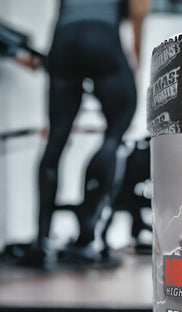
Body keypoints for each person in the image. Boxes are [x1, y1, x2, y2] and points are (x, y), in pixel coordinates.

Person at [23, 0, 151, 267]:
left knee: (56, 140)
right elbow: (139, 11)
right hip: (102, 36)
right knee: (115, 134)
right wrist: (136, 61)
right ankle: (87, 238)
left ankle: (41, 242)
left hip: (64, 38)